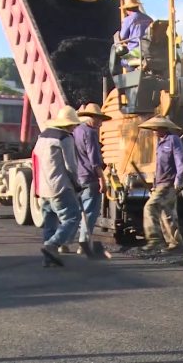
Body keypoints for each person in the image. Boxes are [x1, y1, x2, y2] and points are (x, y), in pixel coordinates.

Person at [32, 106, 82, 267]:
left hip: (43, 187)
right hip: (59, 186)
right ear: (70, 124)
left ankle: (48, 259)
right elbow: (71, 166)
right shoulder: (65, 138)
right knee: (73, 217)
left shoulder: (43, 136)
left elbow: (35, 160)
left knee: (50, 222)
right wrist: (77, 184)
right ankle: (52, 244)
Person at [62, 103, 111, 254]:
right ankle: (83, 243)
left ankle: (64, 241)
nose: (100, 123)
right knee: (89, 212)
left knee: (75, 213)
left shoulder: (75, 131)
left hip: (77, 177)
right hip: (90, 177)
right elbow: (94, 159)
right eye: (98, 119)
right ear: (92, 118)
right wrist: (102, 179)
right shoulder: (90, 133)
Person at [137, 115, 183, 253]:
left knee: (149, 207)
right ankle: (175, 244)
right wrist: (154, 183)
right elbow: (159, 166)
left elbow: (180, 160)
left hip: (168, 183)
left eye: (156, 128)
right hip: (160, 183)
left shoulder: (173, 140)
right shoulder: (160, 143)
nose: (154, 131)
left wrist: (179, 179)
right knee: (167, 214)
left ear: (163, 128)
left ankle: (154, 239)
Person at [118, 0, 153, 69]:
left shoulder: (128, 19)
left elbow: (122, 37)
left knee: (124, 61)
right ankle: (141, 67)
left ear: (127, 9)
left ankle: (139, 67)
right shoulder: (149, 19)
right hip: (151, 50)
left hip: (137, 50)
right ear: (137, 7)